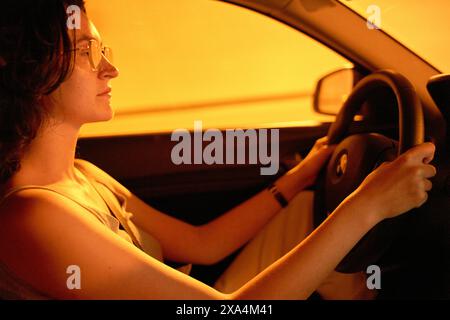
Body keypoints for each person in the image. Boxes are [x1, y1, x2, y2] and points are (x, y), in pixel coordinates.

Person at [0, 0, 437, 300]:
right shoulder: (34, 215)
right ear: (31, 72)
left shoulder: (82, 174)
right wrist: (368, 205)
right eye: (86, 52)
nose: (110, 68)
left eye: (103, 50)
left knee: (304, 215)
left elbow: (201, 244)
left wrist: (303, 174)